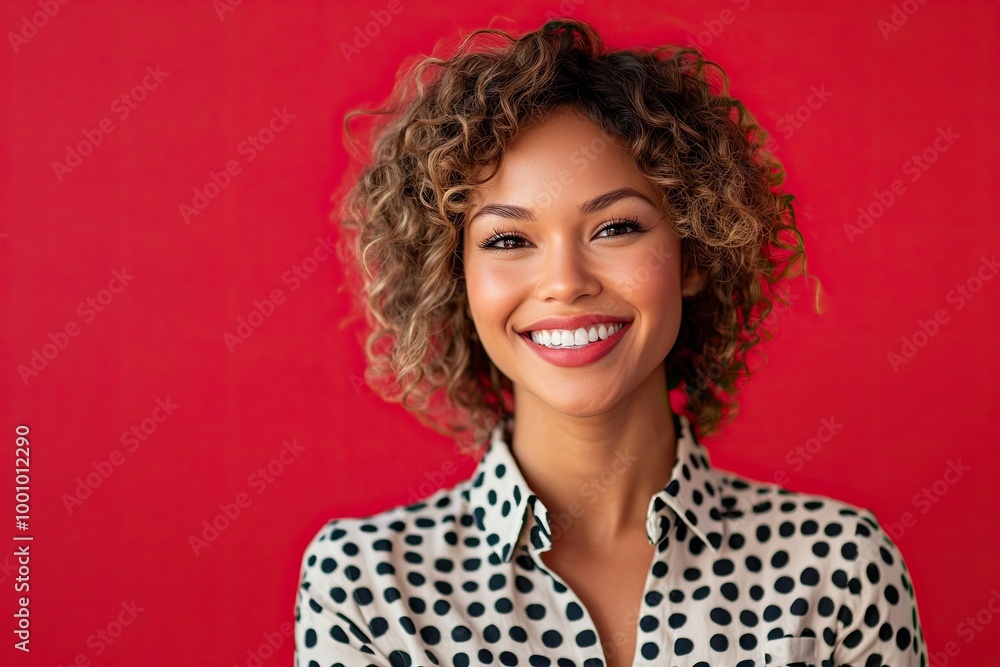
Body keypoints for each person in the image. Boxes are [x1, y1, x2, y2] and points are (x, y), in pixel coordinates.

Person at [294, 17, 926, 667]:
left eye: (616, 227)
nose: (565, 282)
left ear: (692, 253)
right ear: (456, 277)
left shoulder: (839, 569)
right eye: (509, 240)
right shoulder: (367, 587)